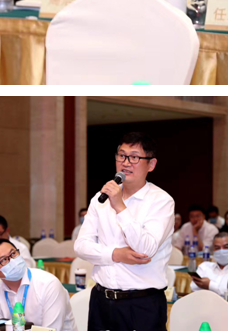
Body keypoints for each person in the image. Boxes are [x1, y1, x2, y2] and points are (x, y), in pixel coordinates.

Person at [74, 131, 174, 331]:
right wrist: (115, 254)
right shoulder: (100, 199)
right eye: (122, 155)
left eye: (134, 157)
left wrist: (120, 206)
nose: (126, 163)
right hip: (101, 301)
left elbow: (145, 249)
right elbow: (81, 246)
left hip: (142, 304)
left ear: (151, 164)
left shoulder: (161, 201)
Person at [0, 239, 77, 331]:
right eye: (4, 260)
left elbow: (51, 330)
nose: (12, 261)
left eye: (13, 254)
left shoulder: (48, 285)